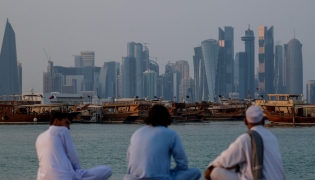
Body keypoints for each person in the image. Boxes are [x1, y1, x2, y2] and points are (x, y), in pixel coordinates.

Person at [204, 105, 285, 180]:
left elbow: (225, 160)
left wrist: (209, 169)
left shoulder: (246, 138)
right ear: (263, 121)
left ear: (245, 121)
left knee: (215, 172)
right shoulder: (272, 138)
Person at [124, 104, 201, 180]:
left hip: (131, 178)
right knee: (196, 172)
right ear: (166, 118)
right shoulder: (170, 134)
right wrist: (170, 171)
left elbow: (129, 160)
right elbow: (183, 164)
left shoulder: (137, 133)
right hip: (158, 178)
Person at [35, 111, 112, 180]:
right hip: (64, 177)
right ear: (56, 121)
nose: (69, 127)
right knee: (106, 170)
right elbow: (72, 155)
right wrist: (79, 172)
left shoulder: (39, 137)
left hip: (42, 178)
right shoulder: (62, 130)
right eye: (67, 123)